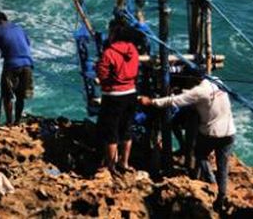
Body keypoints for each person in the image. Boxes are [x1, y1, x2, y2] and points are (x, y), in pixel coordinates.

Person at [139, 73, 236, 211]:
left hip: (211, 133)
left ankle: (211, 180)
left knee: (200, 155)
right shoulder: (217, 81)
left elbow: (174, 101)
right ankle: (222, 196)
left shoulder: (198, 91)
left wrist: (151, 101)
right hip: (230, 132)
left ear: (193, 80)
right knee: (223, 167)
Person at [96, 20, 140, 176]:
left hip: (114, 96)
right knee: (127, 130)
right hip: (131, 93)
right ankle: (124, 162)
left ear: (113, 34)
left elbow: (102, 74)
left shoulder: (109, 53)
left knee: (111, 132)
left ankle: (111, 165)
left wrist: (102, 79)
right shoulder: (133, 50)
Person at [0, 11, 34, 126]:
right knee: (20, 96)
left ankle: (9, 122)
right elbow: (27, 44)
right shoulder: (19, 28)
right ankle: (17, 121)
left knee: (7, 95)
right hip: (27, 64)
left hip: (11, 65)